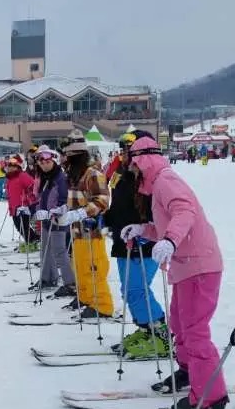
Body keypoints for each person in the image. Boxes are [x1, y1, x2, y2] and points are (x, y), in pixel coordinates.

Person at [120, 136, 229, 409]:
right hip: (186, 266)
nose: (132, 170)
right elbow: (168, 224)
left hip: (199, 265)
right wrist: (143, 230)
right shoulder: (158, 183)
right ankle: (189, 372)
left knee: (194, 330)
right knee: (180, 324)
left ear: (144, 160)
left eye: (134, 164)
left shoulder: (166, 180)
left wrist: (170, 239)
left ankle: (210, 398)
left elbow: (184, 212)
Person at [102, 132, 168, 360]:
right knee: (129, 290)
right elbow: (117, 206)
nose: (124, 153)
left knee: (137, 289)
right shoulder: (121, 174)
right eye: (122, 148)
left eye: (128, 148)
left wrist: (148, 230)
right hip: (124, 241)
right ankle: (146, 328)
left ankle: (160, 335)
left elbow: (158, 210)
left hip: (144, 243)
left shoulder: (149, 177)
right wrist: (105, 219)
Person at [54, 140, 114, 319]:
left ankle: (102, 305)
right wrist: (64, 210)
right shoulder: (76, 175)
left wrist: (80, 213)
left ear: (77, 157)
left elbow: (102, 201)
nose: (64, 161)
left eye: (67, 157)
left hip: (92, 231)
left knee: (94, 267)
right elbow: (75, 201)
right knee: (79, 266)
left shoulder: (93, 174)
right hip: (77, 232)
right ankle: (85, 297)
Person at [29, 145, 75, 295]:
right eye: (40, 160)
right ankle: (48, 277)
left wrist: (52, 213)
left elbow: (64, 200)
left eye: (47, 160)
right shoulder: (44, 177)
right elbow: (41, 197)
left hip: (58, 220)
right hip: (46, 219)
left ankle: (70, 283)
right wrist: (38, 210)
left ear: (53, 160)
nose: (43, 163)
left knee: (59, 251)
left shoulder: (60, 178)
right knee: (45, 250)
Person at [4, 157, 39, 251]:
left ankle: (32, 241)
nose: (11, 168)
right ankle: (33, 240)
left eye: (13, 166)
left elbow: (33, 187)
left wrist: (28, 197)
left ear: (18, 167)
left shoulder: (22, 175)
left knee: (23, 226)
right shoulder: (10, 177)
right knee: (18, 226)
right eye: (9, 166)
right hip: (14, 206)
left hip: (23, 206)